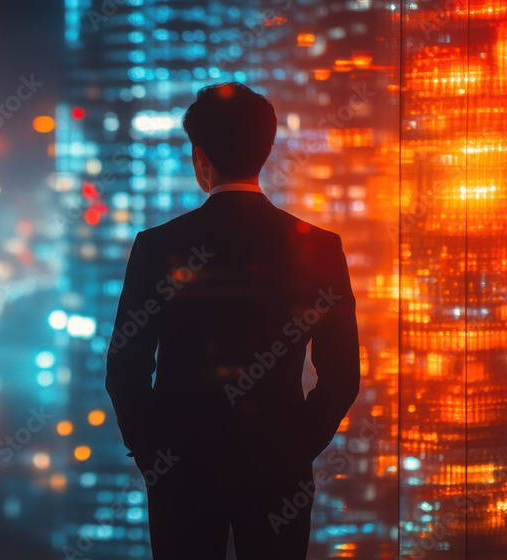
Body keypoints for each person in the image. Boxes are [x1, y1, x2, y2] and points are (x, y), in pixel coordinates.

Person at [105, 82, 361, 559]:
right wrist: (297, 445)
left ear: (200, 157)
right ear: (265, 150)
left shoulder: (157, 247)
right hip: (278, 466)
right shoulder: (321, 248)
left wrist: (154, 456)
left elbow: (125, 370)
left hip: (181, 466)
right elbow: (342, 373)